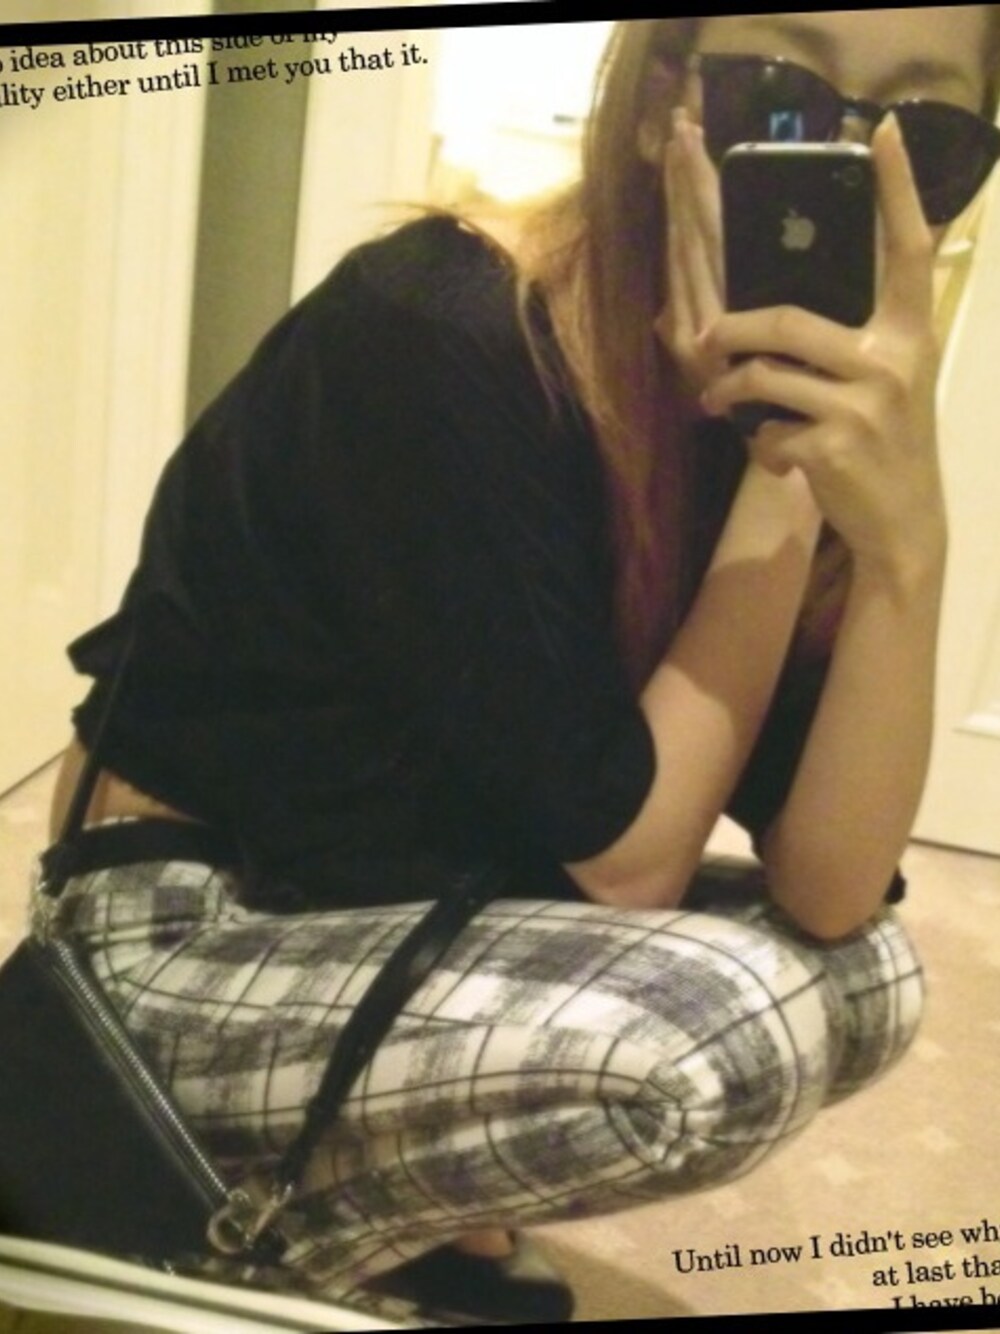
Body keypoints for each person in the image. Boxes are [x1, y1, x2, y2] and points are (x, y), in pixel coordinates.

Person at [40, 8, 1000, 1325]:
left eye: (924, 134)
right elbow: (629, 864)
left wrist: (906, 548)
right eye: (781, 97)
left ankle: (339, 1198)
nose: (851, 161)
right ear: (665, 99)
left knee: (869, 981)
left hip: (421, 890)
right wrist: (781, 478)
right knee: (733, 1029)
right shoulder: (443, 326)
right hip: (188, 909)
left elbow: (830, 885)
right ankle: (229, 1222)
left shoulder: (761, 401)